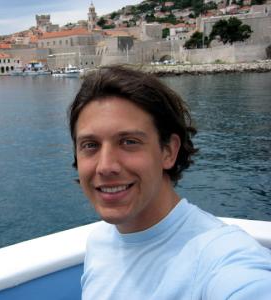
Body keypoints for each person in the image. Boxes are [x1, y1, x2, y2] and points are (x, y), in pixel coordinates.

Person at [67, 65, 271, 299]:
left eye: (129, 142)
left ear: (168, 152)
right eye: (90, 145)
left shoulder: (221, 256)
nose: (105, 166)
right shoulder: (99, 243)